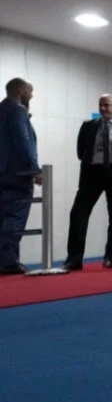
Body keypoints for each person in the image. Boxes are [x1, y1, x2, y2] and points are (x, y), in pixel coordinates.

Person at [65, 93, 112, 271]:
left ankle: (110, 257)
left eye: (107, 105)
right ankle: (74, 259)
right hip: (92, 174)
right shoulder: (88, 126)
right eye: (101, 105)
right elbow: (81, 151)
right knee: (77, 214)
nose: (103, 108)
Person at [0, 78, 39, 275]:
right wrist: (34, 169)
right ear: (20, 90)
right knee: (14, 217)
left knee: (3, 217)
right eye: (30, 90)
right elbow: (23, 141)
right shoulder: (17, 111)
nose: (31, 95)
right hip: (17, 175)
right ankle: (9, 262)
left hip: (2, 174)